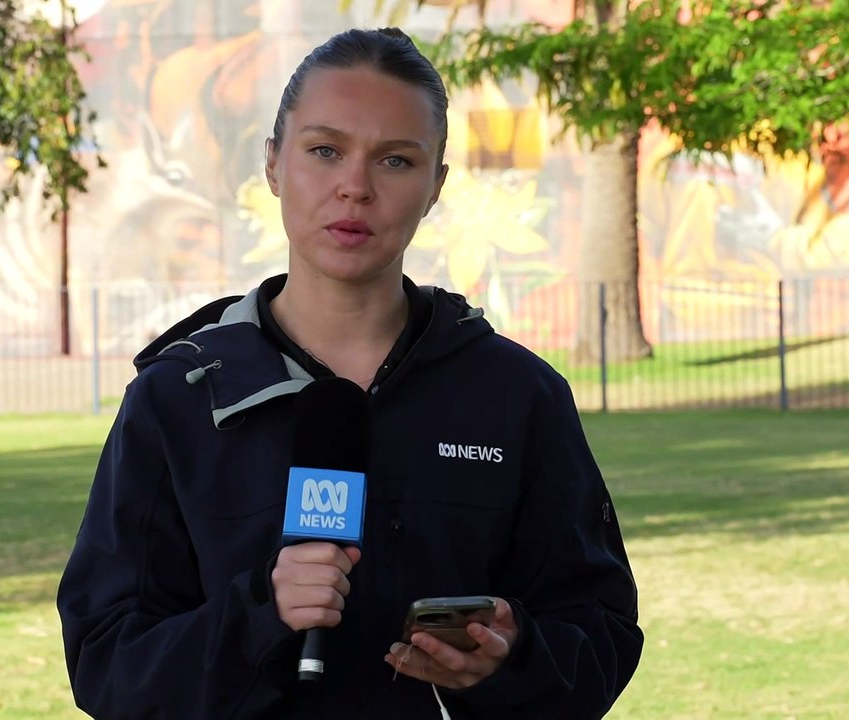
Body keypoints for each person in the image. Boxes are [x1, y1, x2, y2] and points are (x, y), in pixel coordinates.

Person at [57, 27, 642, 719]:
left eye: (395, 161)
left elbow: (600, 636)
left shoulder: (517, 397)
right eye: (325, 151)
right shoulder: (176, 399)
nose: (354, 187)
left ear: (434, 187)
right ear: (274, 164)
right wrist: (263, 613)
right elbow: (108, 666)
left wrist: (512, 659)